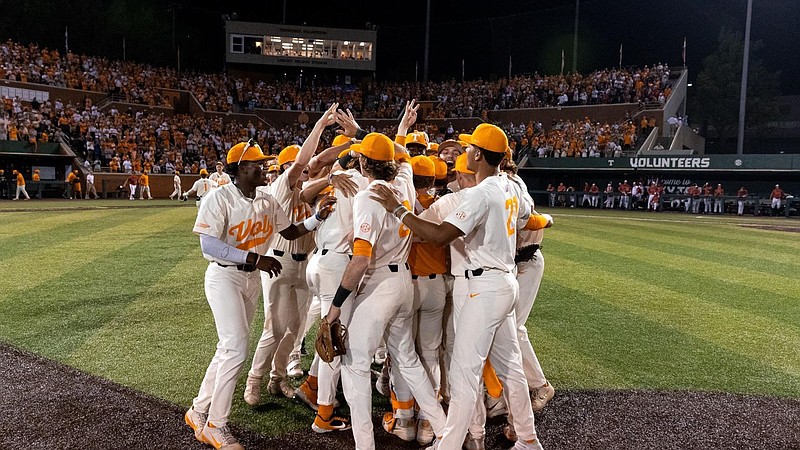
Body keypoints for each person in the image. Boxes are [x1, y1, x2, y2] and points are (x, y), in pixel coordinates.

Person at [369, 122, 551, 450]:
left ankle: (449, 445)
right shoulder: (509, 184)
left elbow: (438, 236)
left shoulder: (481, 193)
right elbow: (526, 218)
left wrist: (396, 209)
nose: (465, 151)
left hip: (483, 287)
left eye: (469, 147)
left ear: (478, 154)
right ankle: (528, 439)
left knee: (464, 374)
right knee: (511, 369)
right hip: (503, 282)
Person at [184, 139, 335, 450]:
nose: (265, 167)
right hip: (223, 276)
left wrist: (317, 218)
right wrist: (254, 258)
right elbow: (208, 246)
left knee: (226, 347)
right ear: (241, 168)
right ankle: (216, 425)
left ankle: (199, 409)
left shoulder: (265, 200)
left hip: (250, 279)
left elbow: (290, 231)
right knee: (236, 348)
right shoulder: (219, 197)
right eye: (258, 164)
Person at [323, 101, 447, 450]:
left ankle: (365, 446)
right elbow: (402, 151)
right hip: (405, 282)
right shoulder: (406, 180)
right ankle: (445, 430)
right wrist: (400, 129)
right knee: (407, 360)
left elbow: (360, 260)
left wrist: (334, 309)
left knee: (355, 364)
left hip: (379, 287)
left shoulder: (368, 196)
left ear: (363, 163)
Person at [245, 104, 339, 405]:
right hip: (278, 261)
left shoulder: (309, 191)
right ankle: (254, 380)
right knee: (274, 327)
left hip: (302, 265)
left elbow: (319, 164)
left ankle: (278, 376)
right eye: (294, 167)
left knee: (295, 328)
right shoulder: (279, 188)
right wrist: (320, 126)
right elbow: (302, 163)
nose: (301, 170)